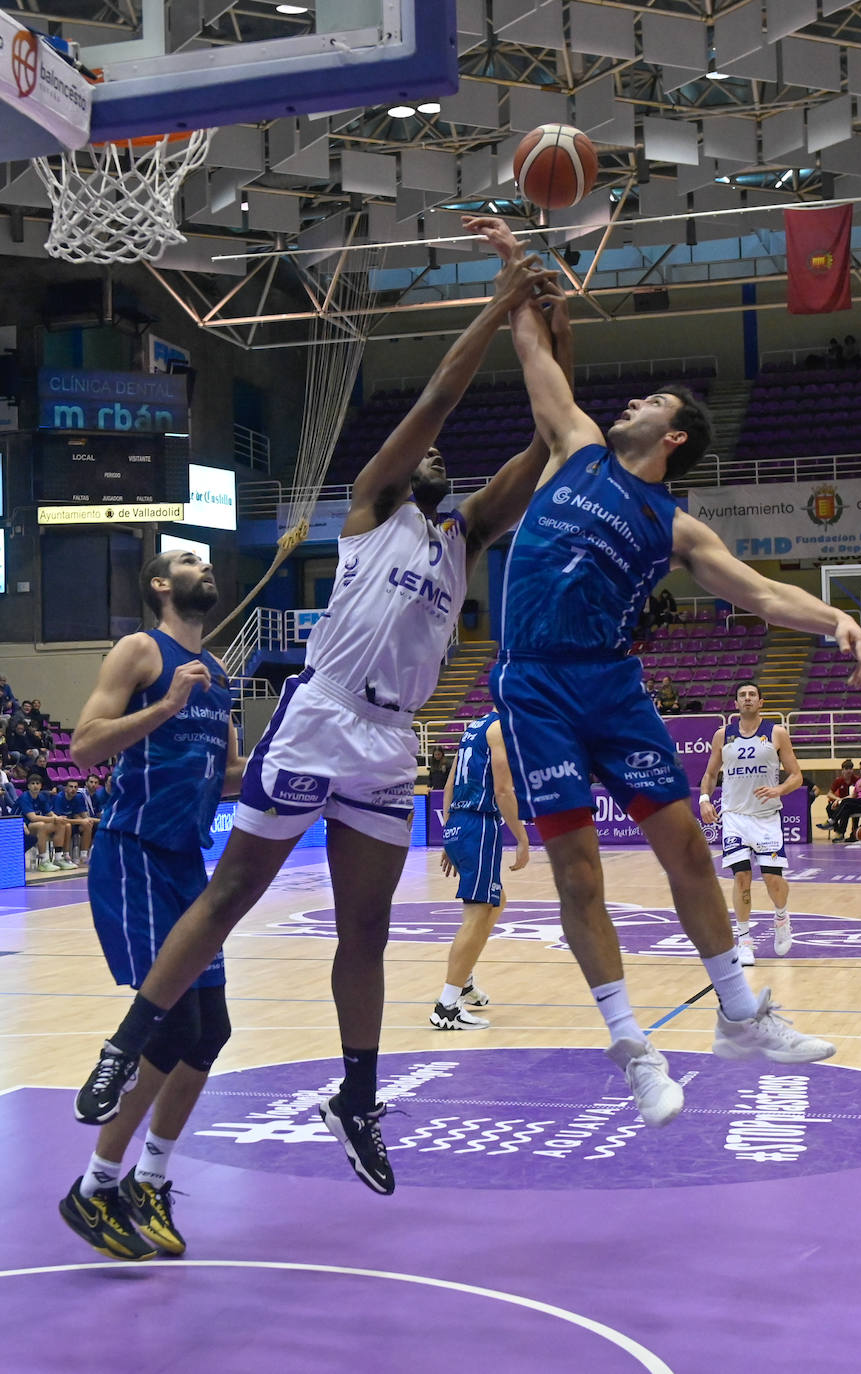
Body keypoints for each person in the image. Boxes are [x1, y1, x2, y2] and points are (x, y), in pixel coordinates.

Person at [72, 229, 568, 1200]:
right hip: (322, 715)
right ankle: (122, 1042)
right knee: (231, 896)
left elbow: (550, 439)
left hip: (388, 742)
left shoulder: (461, 538)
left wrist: (541, 318)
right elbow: (434, 402)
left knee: (368, 933)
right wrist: (494, 301)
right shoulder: (372, 506)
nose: (433, 461)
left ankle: (355, 1094)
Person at [469, 210, 861, 1130]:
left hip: (611, 684)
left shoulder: (677, 527)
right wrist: (513, 269)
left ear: (676, 435)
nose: (630, 403)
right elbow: (533, 353)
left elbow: (765, 598)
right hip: (534, 682)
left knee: (687, 847)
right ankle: (632, 1047)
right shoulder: (571, 445)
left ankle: (740, 1014)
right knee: (577, 874)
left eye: (649, 401)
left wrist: (837, 616)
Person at [58, 549, 244, 1262]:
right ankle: (94, 1186)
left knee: (211, 1029)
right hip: (132, 850)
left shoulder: (221, 677)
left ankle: (148, 1179)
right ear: (162, 586)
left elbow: (222, 778)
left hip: (184, 862)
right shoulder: (142, 650)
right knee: (172, 1025)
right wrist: (164, 705)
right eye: (188, 561)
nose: (204, 565)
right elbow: (81, 748)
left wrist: (275, 765)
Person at [431, 710, 529, 1030]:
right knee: (478, 912)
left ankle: (465, 980)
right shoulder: (500, 730)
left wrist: (449, 834)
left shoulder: (475, 727)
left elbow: (449, 783)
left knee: (496, 903)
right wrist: (523, 838)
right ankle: (447, 1006)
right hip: (479, 825)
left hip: (460, 822)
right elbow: (502, 791)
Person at [698, 682, 803, 966]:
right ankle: (744, 940)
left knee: (773, 880)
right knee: (741, 877)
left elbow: (796, 776)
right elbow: (709, 774)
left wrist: (779, 790)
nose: (747, 698)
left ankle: (781, 918)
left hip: (766, 818)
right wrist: (705, 800)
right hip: (735, 816)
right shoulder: (723, 736)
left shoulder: (776, 733)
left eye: (752, 695)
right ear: (735, 704)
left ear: (761, 702)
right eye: (742, 695)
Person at [14, 774, 75, 871]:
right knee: (41, 825)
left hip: (31, 826)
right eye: (32, 783)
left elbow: (50, 813)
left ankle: (59, 858)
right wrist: (55, 819)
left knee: (64, 824)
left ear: (41, 786)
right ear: (28, 786)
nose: (35, 786)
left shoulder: (41, 796)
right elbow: (33, 818)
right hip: (18, 825)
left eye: (37, 783)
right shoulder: (25, 797)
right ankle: (43, 861)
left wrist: (59, 819)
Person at [52, 777, 96, 863]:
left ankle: (83, 855)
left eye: (76, 787)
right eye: (71, 787)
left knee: (88, 825)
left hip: (73, 823)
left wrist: (89, 820)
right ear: (65, 788)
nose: (73, 789)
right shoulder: (59, 798)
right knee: (67, 825)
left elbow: (82, 815)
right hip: (59, 825)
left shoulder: (78, 797)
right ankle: (66, 855)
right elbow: (61, 820)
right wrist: (81, 821)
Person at [831, 759, 861, 842]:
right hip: (859, 803)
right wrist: (839, 801)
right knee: (846, 809)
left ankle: (833, 820)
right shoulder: (858, 782)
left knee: (846, 803)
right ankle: (842, 834)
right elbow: (853, 796)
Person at [816, 758, 855, 831]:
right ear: (842, 770)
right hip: (841, 802)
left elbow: (854, 795)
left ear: (853, 770)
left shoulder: (856, 779)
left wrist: (841, 800)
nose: (848, 771)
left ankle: (847, 832)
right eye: (846, 769)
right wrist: (838, 799)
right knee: (829, 807)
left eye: (850, 768)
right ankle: (835, 828)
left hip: (852, 803)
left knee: (845, 811)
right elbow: (829, 794)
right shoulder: (838, 781)